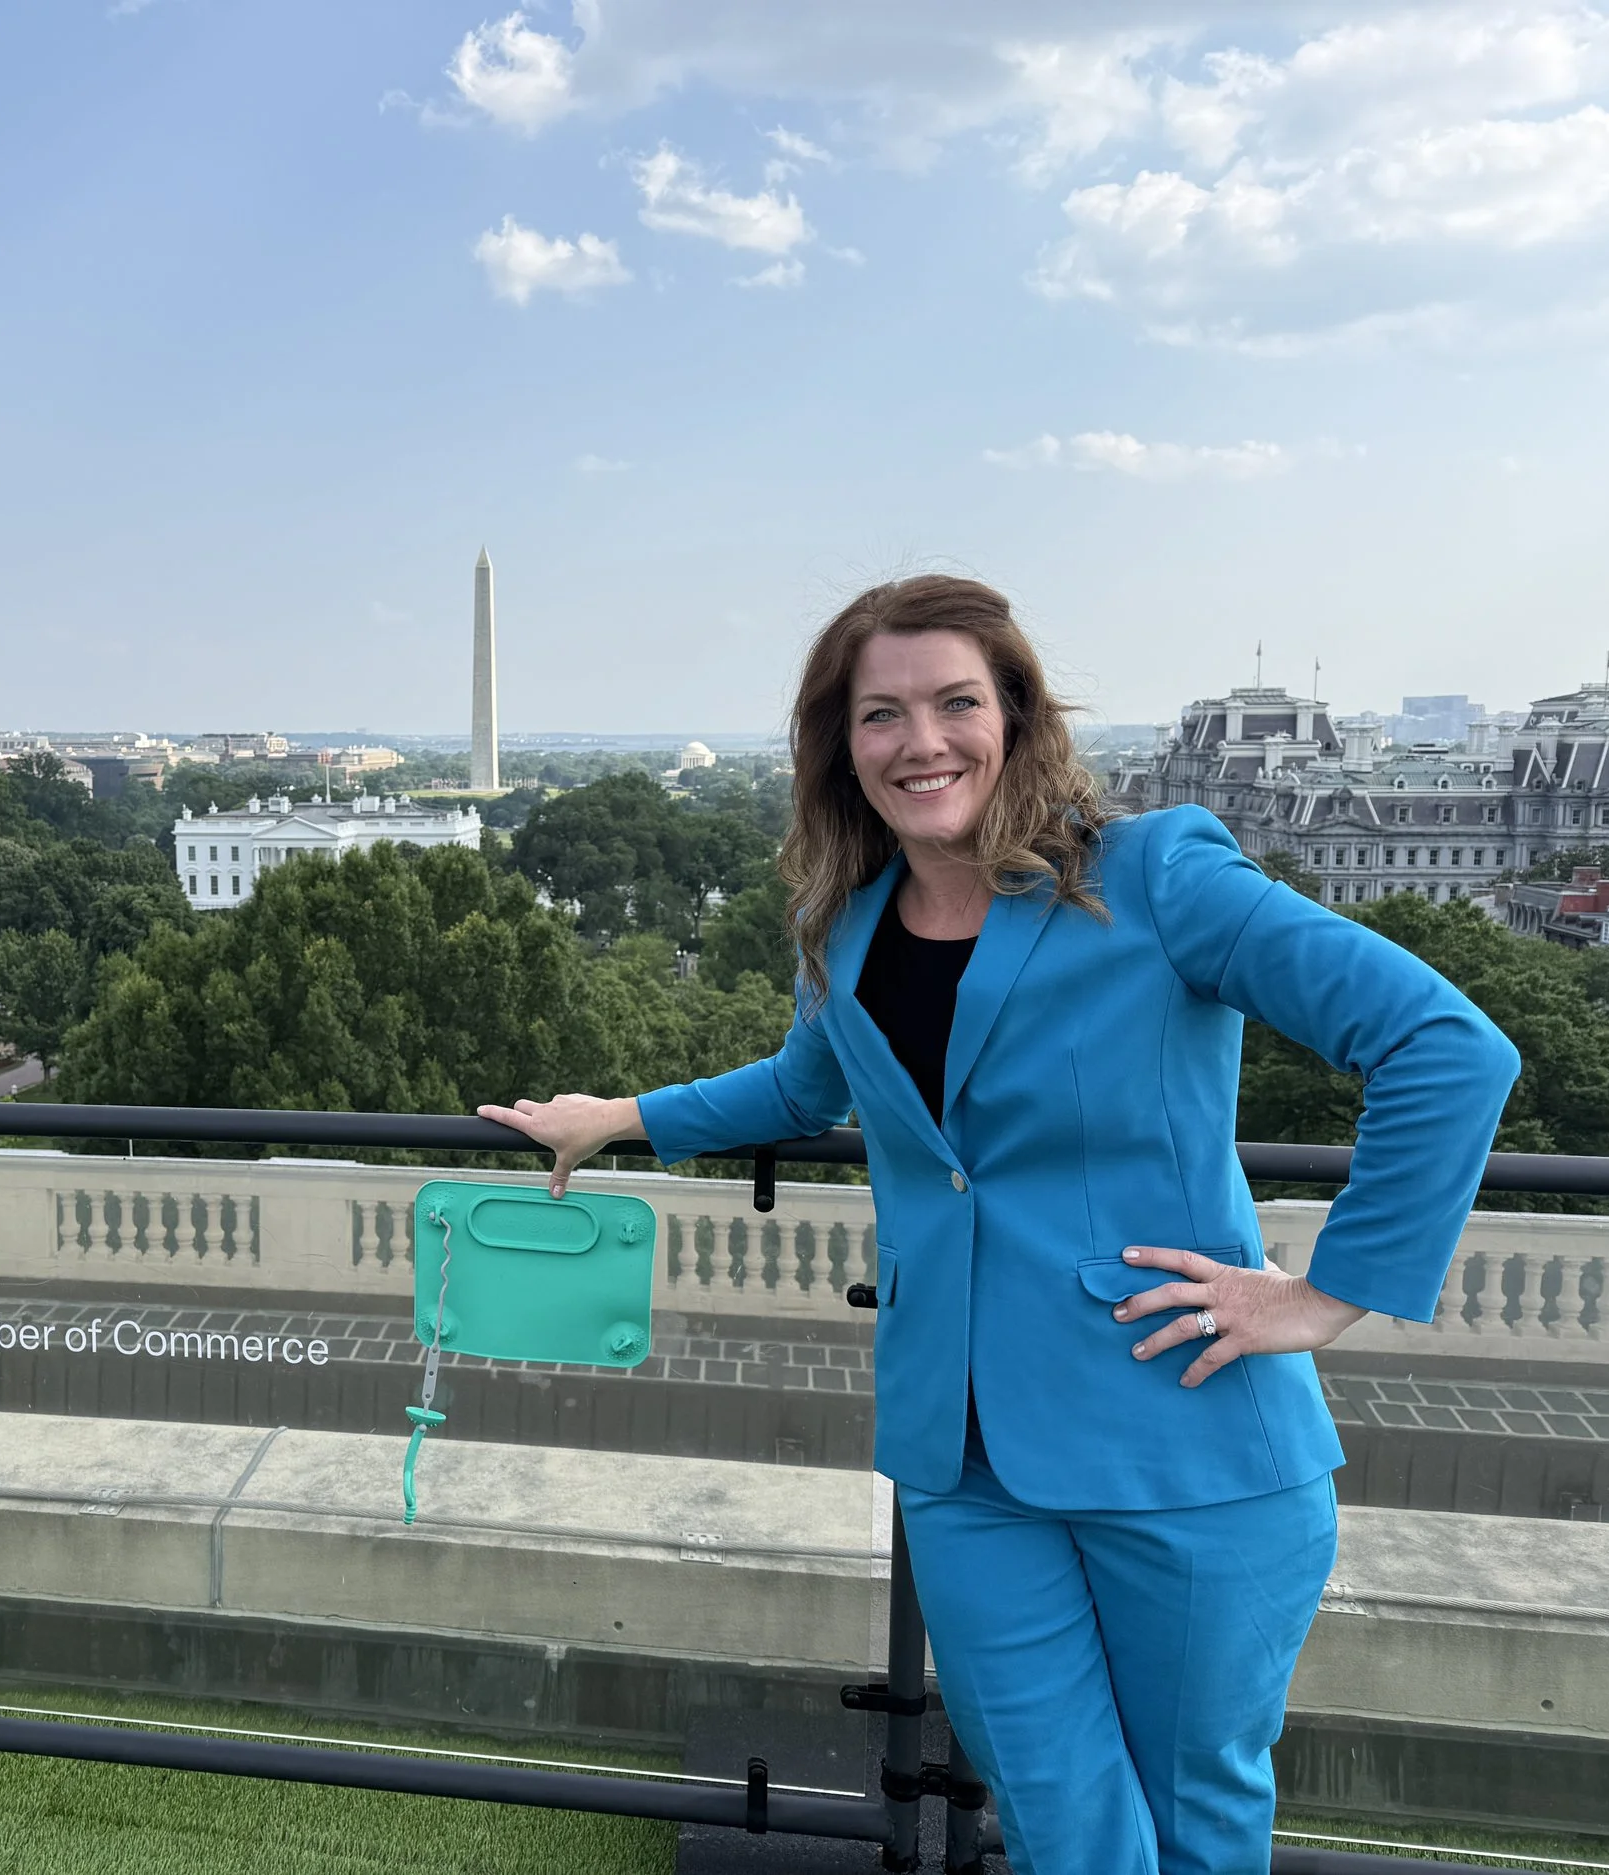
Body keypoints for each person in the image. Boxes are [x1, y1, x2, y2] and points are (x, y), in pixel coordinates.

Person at [480, 575, 1516, 1875]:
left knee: (1194, 1822)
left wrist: (1323, 1293)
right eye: (882, 714)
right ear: (839, 745)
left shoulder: (1155, 876)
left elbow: (1446, 1044)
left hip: (1183, 1434)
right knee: (1056, 1822)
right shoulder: (845, 923)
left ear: (1014, 714)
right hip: (961, 1460)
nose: (923, 741)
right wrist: (623, 1113)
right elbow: (810, 1084)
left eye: (955, 701)